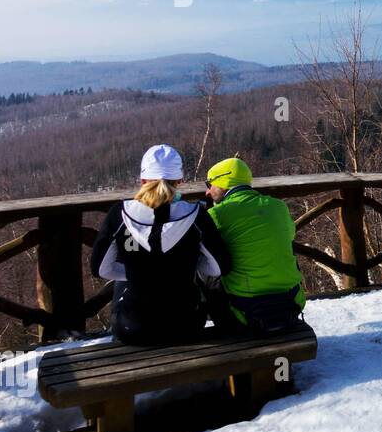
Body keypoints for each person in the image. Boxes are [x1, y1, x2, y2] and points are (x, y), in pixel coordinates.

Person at [91, 144, 231, 345]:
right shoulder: (196, 216)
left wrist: (136, 272)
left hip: (134, 329)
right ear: (179, 181)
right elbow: (221, 267)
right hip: (186, 326)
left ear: (142, 180)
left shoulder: (119, 214)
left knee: (124, 282)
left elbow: (100, 269)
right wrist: (188, 265)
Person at [203, 157, 306, 334]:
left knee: (207, 272)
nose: (207, 191)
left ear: (223, 182)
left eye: (209, 184)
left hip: (245, 311)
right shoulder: (278, 206)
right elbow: (289, 235)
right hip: (292, 302)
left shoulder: (216, 215)